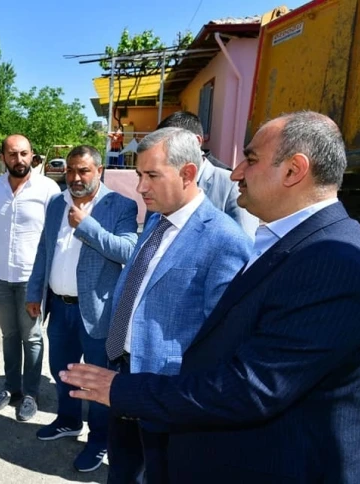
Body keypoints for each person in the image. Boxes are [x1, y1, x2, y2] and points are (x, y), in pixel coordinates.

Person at [60, 112, 360, 483]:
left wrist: (127, 390)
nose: (237, 172)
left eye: (251, 159)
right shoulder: (167, 224)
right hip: (141, 389)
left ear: (294, 171)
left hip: (199, 417)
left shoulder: (333, 260)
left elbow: (249, 383)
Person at [104, 127, 252, 483]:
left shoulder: (224, 240)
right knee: (121, 469)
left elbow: (223, 344)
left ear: (188, 173)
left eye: (152, 175)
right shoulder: (156, 219)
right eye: (139, 174)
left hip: (168, 392)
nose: (140, 187)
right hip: (123, 372)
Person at [25, 145, 138, 472]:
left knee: (99, 380)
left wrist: (86, 226)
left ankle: (100, 438)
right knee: (63, 370)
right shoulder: (55, 203)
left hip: (99, 312)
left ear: (99, 171)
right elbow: (43, 252)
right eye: (70, 170)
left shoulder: (121, 206)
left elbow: (128, 251)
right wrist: (35, 291)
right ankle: (69, 420)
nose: (75, 177)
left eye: (83, 171)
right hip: (59, 308)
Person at [0, 134, 60, 422]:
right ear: (3, 158)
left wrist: (47, 280)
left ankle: (31, 395)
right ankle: (11, 389)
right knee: (9, 336)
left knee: (32, 337)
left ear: (32, 155)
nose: (19, 159)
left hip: (31, 280)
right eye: (12, 154)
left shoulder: (48, 189)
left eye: (24, 153)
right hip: (0, 277)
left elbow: (55, 237)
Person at [158, 111, 258, 238]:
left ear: (196, 141)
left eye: (169, 145)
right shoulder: (160, 183)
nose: (163, 153)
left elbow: (246, 245)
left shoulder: (231, 185)